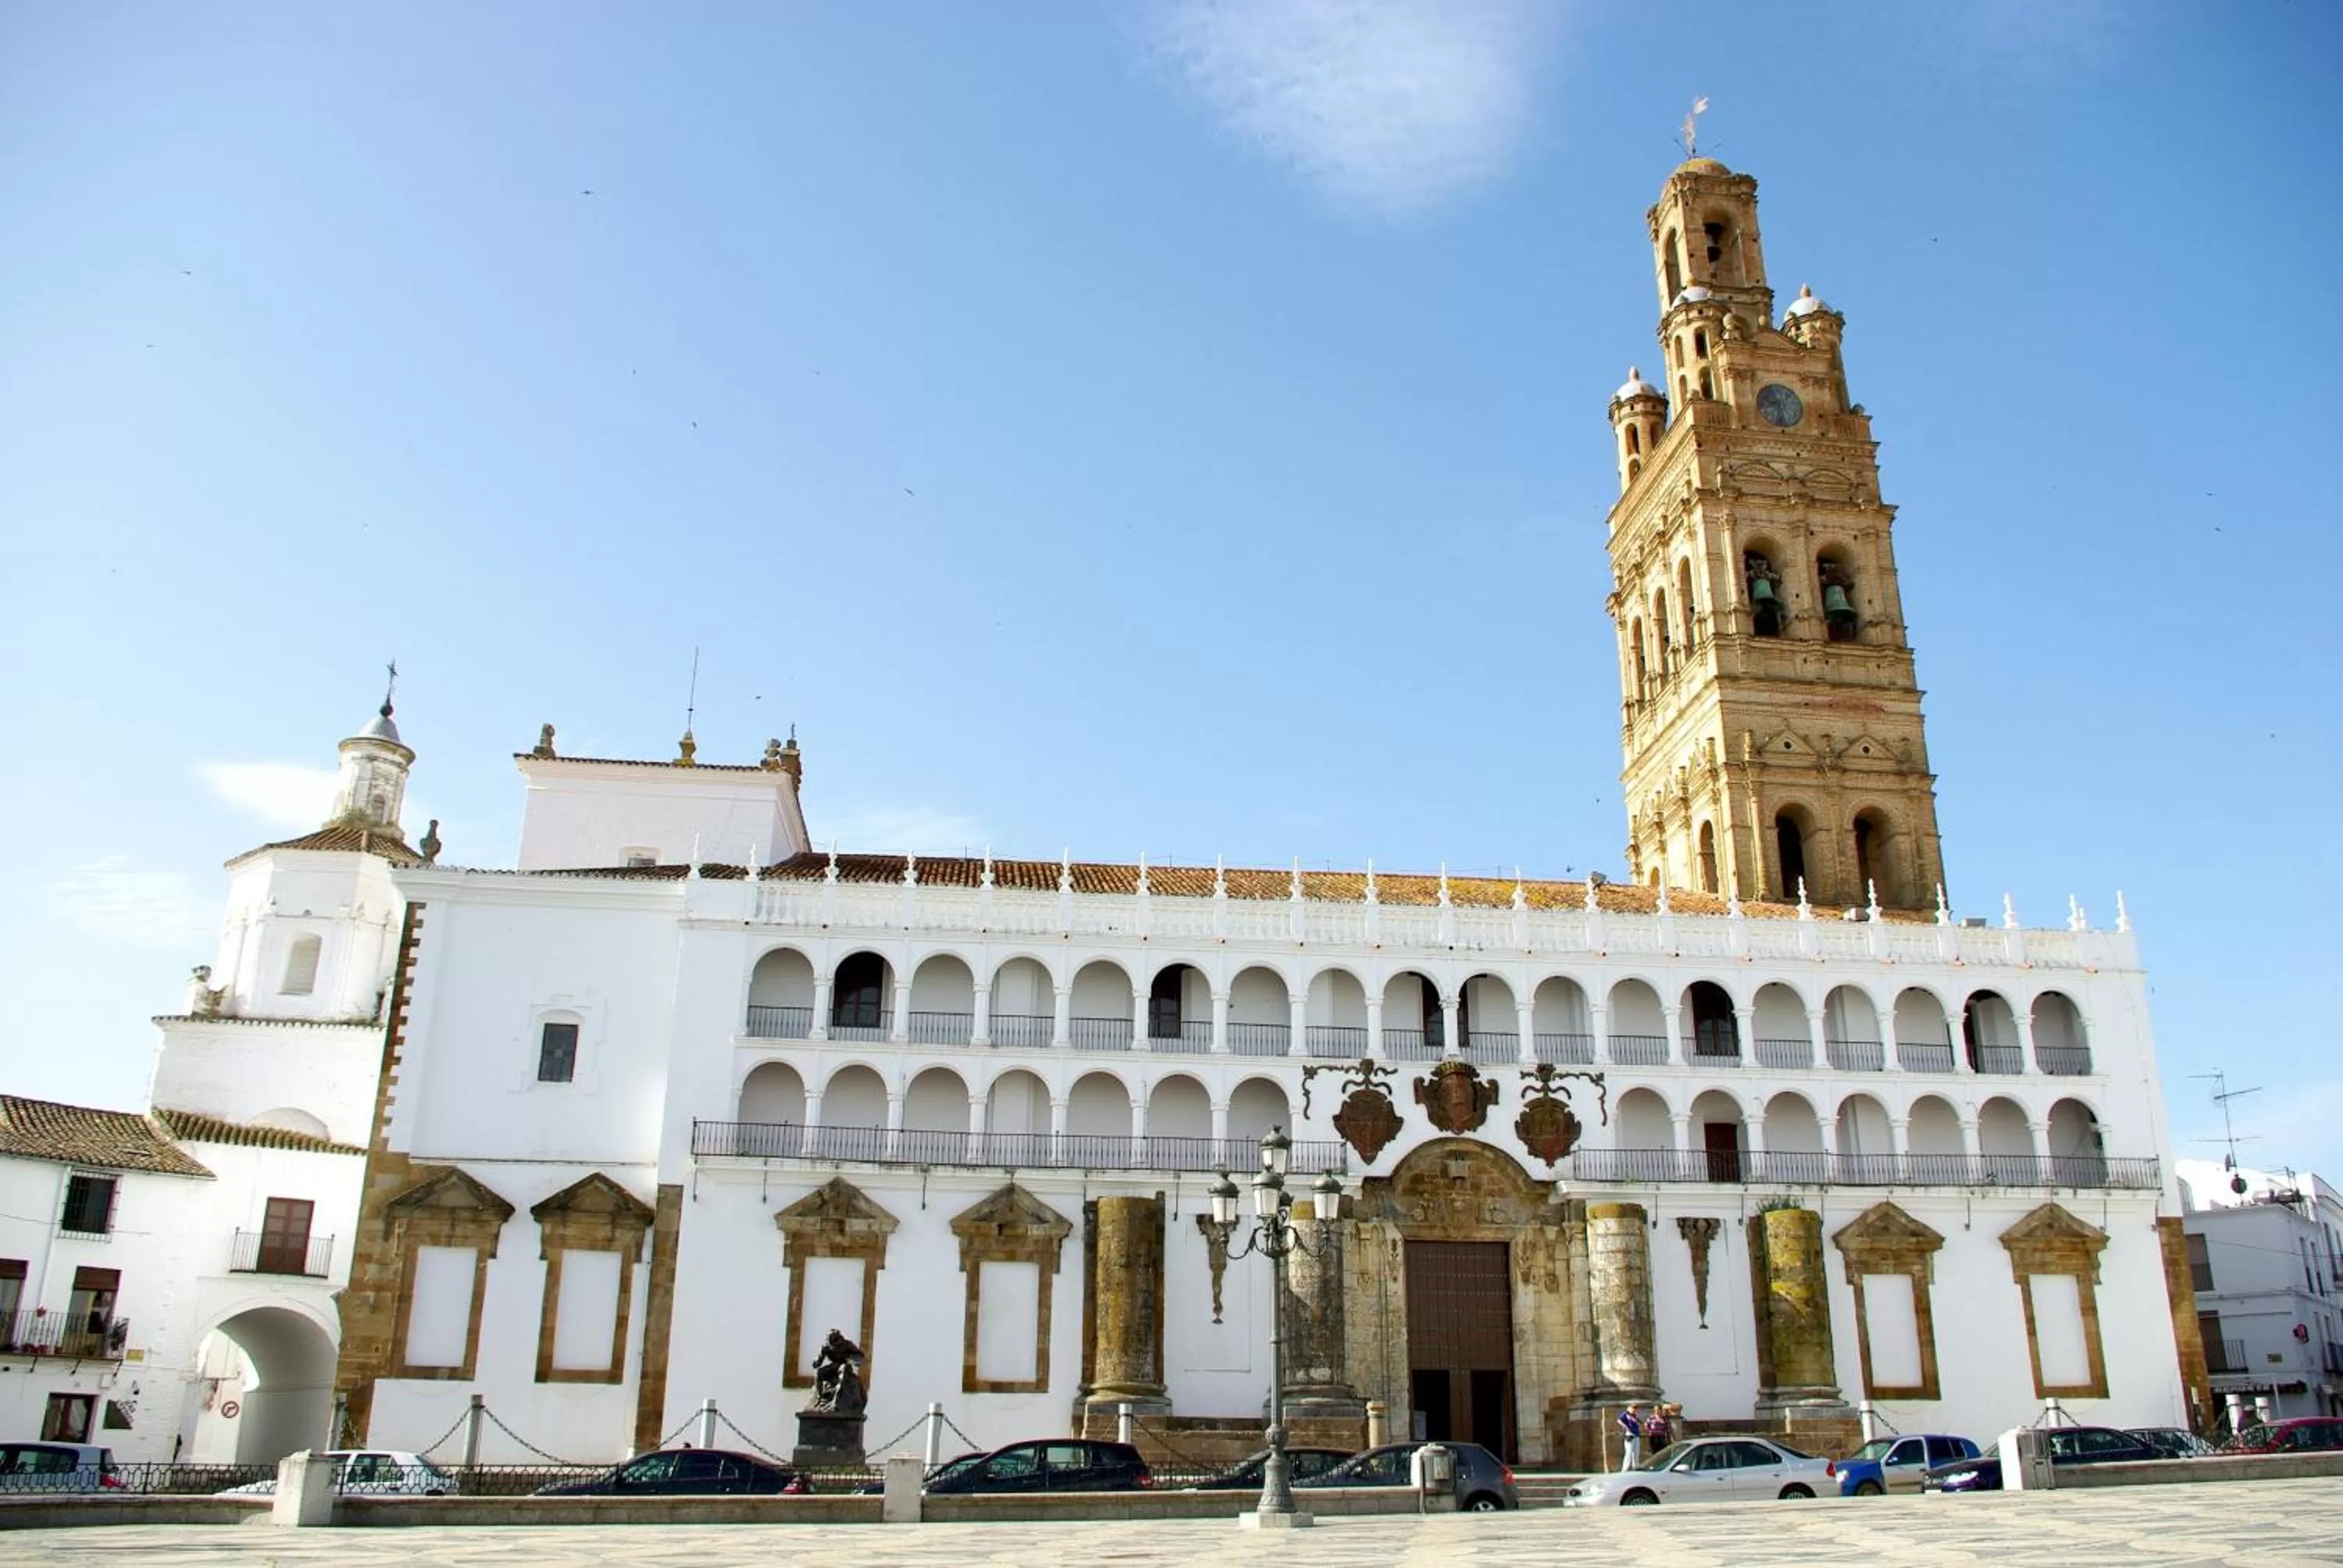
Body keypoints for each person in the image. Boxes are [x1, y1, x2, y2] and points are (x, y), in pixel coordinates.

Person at [1617, 1404, 1643, 1471]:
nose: (1634, 1410)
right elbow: (1619, 1420)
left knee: (1636, 1453)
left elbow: (1638, 1421)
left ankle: (1635, 1467)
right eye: (1633, 1408)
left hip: (1636, 1435)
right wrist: (1625, 1426)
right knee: (1629, 1453)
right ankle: (1625, 1469)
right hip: (1629, 1436)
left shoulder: (1634, 1416)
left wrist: (1642, 1424)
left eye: (1635, 1409)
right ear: (1629, 1408)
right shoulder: (1625, 1414)